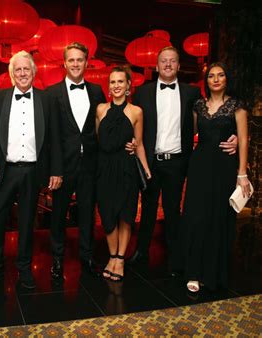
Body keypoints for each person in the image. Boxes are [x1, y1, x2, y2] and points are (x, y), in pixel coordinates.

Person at [129, 46, 237, 273]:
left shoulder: (192, 94)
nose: (168, 65)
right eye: (163, 61)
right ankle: (141, 251)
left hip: (177, 161)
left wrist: (234, 136)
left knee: (172, 209)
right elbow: (133, 123)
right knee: (148, 208)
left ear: (179, 66)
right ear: (156, 66)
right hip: (150, 160)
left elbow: (212, 122)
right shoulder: (143, 93)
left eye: (172, 61)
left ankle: (174, 256)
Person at [0, 51, 63, 290]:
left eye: (27, 69)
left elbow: (54, 139)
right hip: (5, 171)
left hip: (32, 171)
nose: (23, 73)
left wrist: (56, 170)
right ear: (11, 74)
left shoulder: (46, 99)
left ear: (34, 72)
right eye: (18, 69)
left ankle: (24, 270)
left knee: (27, 222)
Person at [183, 62, 250, 293]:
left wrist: (242, 173)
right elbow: (189, 134)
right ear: (206, 80)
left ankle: (213, 274)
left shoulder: (237, 106)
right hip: (199, 165)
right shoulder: (198, 105)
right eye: (211, 76)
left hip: (224, 166)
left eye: (221, 75)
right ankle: (194, 272)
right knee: (197, 217)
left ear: (226, 79)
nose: (216, 79)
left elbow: (244, 138)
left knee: (219, 218)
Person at [46, 42, 105, 279]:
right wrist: (54, 169)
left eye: (79, 60)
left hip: (90, 163)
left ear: (86, 62)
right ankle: (57, 259)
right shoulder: (52, 93)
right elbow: (50, 136)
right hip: (63, 165)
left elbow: (103, 127)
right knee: (58, 213)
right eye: (71, 60)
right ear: (64, 63)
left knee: (88, 212)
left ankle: (87, 255)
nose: (75, 64)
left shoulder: (98, 91)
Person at [96, 66, 151, 281]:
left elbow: (139, 144)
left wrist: (146, 170)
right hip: (104, 168)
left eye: (120, 81)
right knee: (108, 215)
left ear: (129, 85)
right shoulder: (100, 109)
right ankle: (112, 255)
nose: (116, 86)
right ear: (108, 87)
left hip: (126, 169)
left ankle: (119, 259)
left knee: (126, 215)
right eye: (112, 82)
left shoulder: (137, 112)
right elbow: (98, 142)